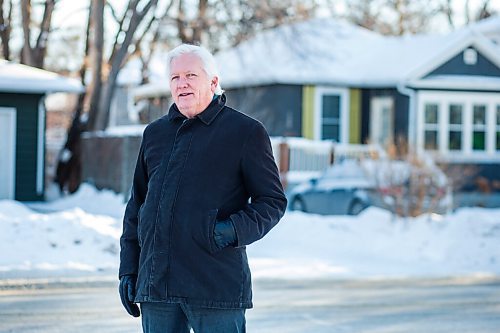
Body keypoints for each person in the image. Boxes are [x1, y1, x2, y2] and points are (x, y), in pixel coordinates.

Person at [118, 44, 287, 333]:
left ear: (213, 82)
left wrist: (228, 231)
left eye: (190, 75)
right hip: (157, 289)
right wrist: (129, 271)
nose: (181, 83)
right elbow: (137, 207)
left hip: (215, 288)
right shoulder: (155, 134)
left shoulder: (245, 132)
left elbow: (271, 201)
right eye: (174, 78)